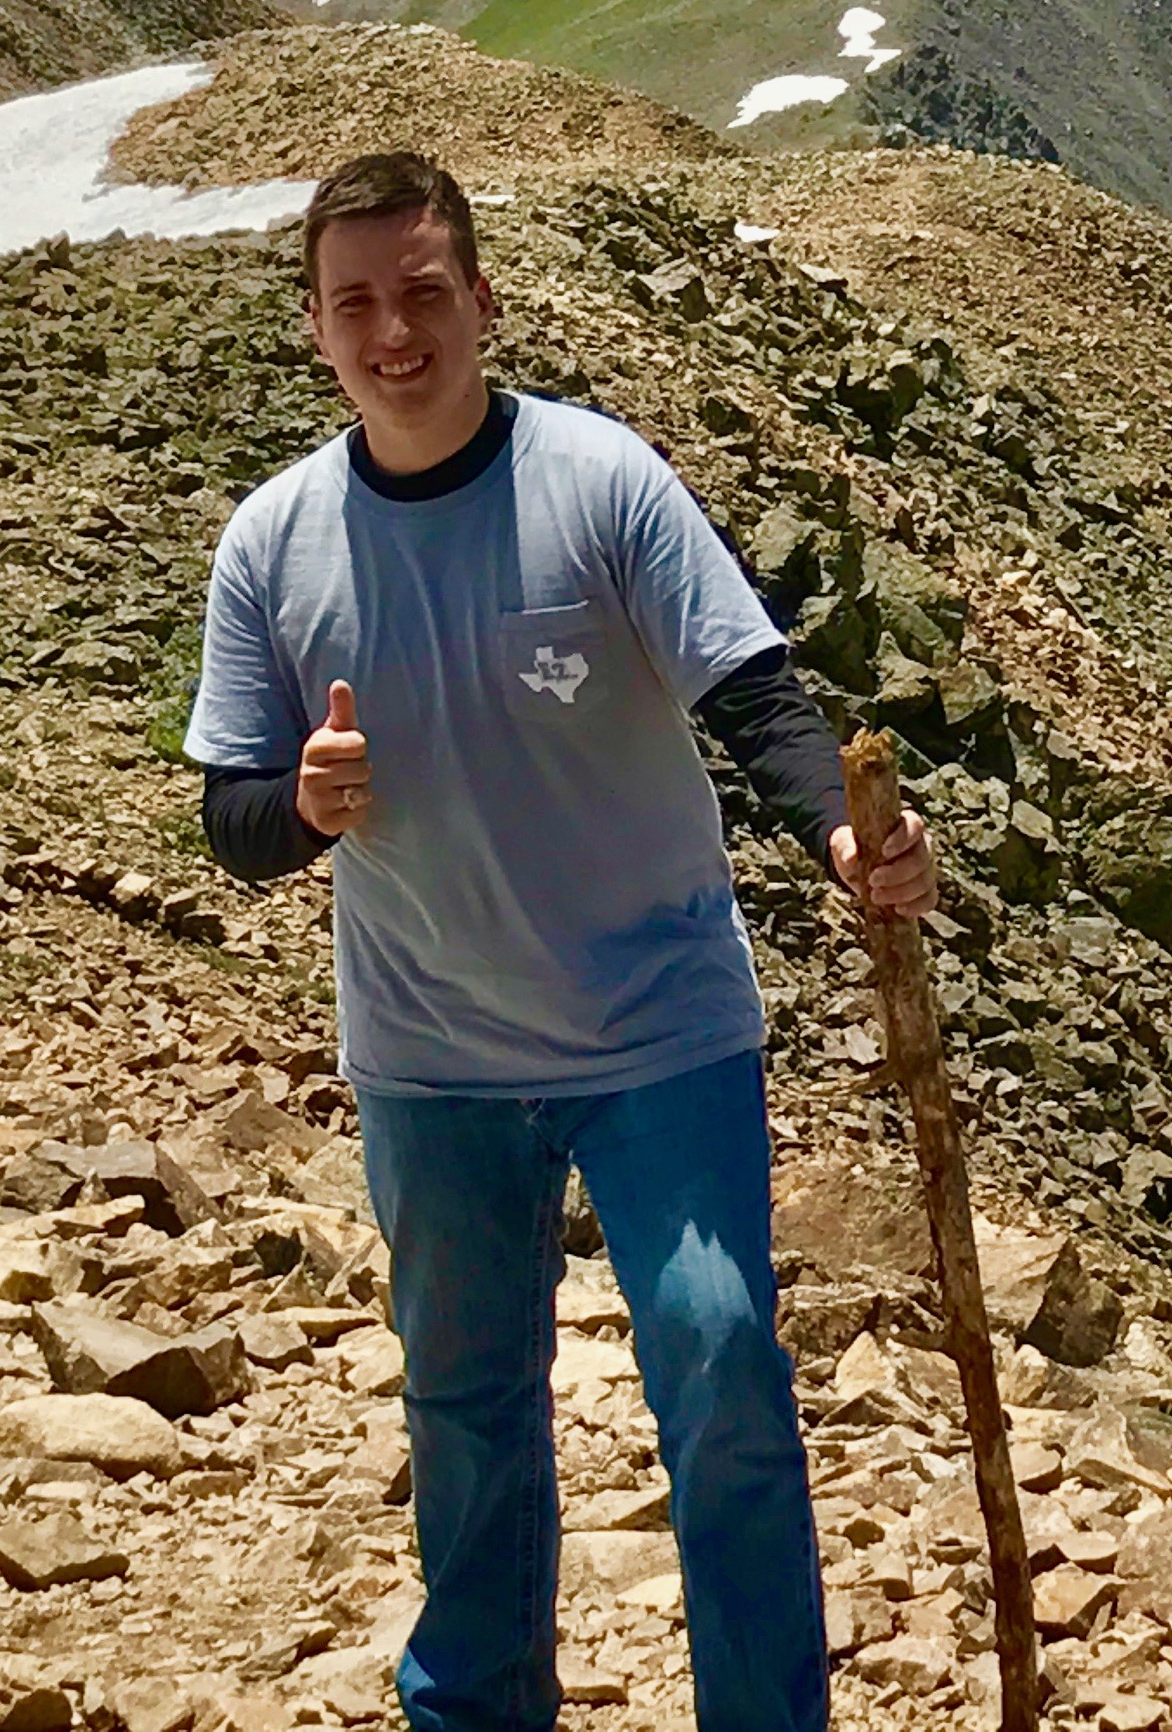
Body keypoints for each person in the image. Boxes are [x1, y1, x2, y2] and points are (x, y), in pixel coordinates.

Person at [187, 150, 934, 1732]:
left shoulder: (601, 483)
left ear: (484, 302)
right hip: (432, 1055)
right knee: (466, 1415)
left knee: (723, 1362)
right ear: (318, 328)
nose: (396, 331)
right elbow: (228, 814)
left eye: (424, 293)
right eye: (358, 303)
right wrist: (302, 808)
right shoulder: (273, 542)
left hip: (656, 1027)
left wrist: (845, 834)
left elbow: (753, 694)